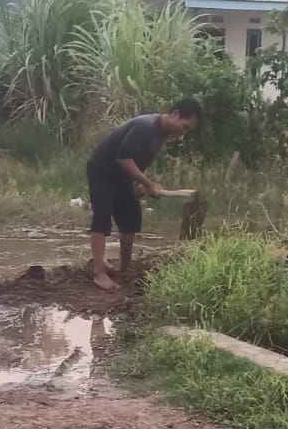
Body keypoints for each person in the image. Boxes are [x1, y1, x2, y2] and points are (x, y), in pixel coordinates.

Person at [84, 99, 201, 291]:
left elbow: (140, 160)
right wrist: (148, 183)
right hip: (102, 170)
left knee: (131, 217)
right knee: (102, 217)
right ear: (176, 114)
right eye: (185, 126)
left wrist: (140, 182)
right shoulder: (145, 126)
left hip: (122, 173)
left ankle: (125, 267)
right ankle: (99, 274)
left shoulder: (163, 134)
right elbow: (123, 157)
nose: (183, 132)